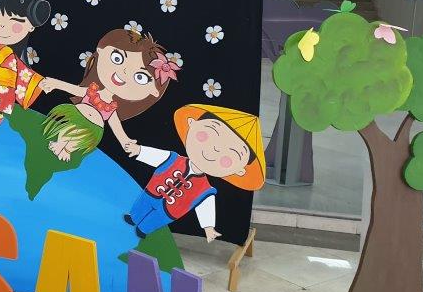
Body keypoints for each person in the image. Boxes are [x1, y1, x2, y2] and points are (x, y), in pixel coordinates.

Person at [125, 104, 266, 242]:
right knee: (141, 205)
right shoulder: (173, 159)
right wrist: (139, 151)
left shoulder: (205, 190)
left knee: (155, 220)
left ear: (240, 171)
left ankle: (143, 229)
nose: (215, 149)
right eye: (208, 134)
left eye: (230, 156)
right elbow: (156, 156)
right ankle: (133, 217)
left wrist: (208, 227)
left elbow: (205, 207)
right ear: (191, 123)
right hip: (151, 192)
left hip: (170, 211)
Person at [39, 30, 177, 161]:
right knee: (67, 130)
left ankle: (67, 150)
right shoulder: (92, 91)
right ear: (101, 50)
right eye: (117, 58)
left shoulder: (111, 108)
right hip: (76, 116)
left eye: (140, 77)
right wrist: (55, 83)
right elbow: (74, 89)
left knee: (77, 140)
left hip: (93, 129)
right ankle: (59, 144)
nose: (124, 71)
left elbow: (116, 127)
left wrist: (125, 140)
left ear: (154, 91)